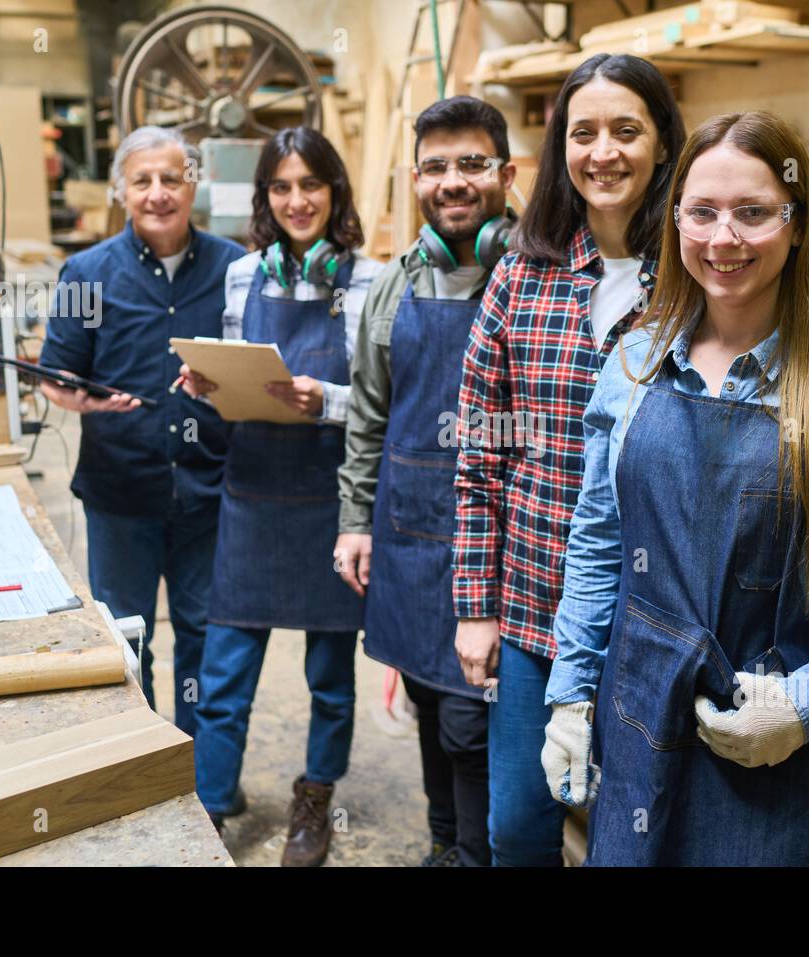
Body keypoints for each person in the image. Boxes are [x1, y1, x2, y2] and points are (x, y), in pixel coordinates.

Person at [541, 111, 809, 865]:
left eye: (753, 213)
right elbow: (598, 543)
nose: (724, 239)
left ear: (796, 223)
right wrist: (569, 694)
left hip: (785, 750)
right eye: (703, 212)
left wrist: (805, 703)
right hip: (641, 721)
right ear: (676, 220)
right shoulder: (632, 363)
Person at [451, 53, 685, 867]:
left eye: (628, 130)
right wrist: (474, 604)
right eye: (583, 133)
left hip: (660, 614)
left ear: (662, 144)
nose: (604, 152)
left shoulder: (700, 279)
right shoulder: (522, 276)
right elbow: (479, 458)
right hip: (532, 605)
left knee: (636, 829)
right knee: (517, 823)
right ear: (561, 151)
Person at [181, 127, 384, 865]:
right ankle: (207, 802)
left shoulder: (368, 280)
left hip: (331, 500)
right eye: (281, 187)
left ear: (335, 192)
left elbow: (378, 398)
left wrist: (322, 399)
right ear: (265, 197)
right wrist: (209, 388)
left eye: (311, 185)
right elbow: (234, 394)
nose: (297, 201)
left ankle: (314, 802)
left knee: (331, 678)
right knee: (226, 669)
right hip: (253, 494)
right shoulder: (243, 277)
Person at [335, 96, 517, 868]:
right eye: (436, 166)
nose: (453, 180)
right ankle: (444, 842)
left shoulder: (531, 277)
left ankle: (477, 852)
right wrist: (355, 517)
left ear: (506, 174)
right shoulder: (392, 286)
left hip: (498, 535)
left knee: (474, 716)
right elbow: (369, 416)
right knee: (426, 695)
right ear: (415, 178)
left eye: (472, 164)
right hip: (407, 533)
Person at [38, 126, 245, 733]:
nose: (158, 193)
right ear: (120, 190)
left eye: (171, 178)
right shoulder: (86, 273)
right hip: (120, 492)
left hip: (210, 493)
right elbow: (55, 374)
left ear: (192, 184)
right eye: (143, 180)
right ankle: (146, 768)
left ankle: (203, 782)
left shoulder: (235, 269)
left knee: (205, 642)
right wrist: (77, 398)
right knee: (127, 641)